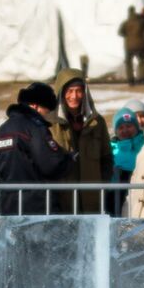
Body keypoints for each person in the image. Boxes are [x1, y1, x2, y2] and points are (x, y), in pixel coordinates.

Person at [0, 81, 73, 215]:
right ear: (35, 106)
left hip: (9, 207)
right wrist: (68, 159)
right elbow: (51, 165)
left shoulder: (1, 131)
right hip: (37, 207)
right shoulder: (34, 128)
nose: (47, 115)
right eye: (47, 110)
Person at [50, 68, 112, 215]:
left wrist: (101, 183)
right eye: (69, 91)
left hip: (92, 199)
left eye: (79, 91)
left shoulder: (97, 122)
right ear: (61, 92)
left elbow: (106, 158)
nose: (74, 96)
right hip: (63, 200)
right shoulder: (51, 124)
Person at [109, 107, 144, 216]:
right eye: (121, 127)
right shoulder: (110, 147)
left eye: (129, 126)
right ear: (116, 130)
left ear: (136, 127)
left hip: (139, 190)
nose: (125, 130)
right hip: (115, 192)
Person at [119, 7, 144, 86]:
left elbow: (120, 32)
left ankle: (131, 81)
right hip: (140, 45)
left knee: (129, 63)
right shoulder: (141, 22)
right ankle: (142, 79)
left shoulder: (125, 22)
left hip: (129, 46)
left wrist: (128, 35)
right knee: (142, 62)